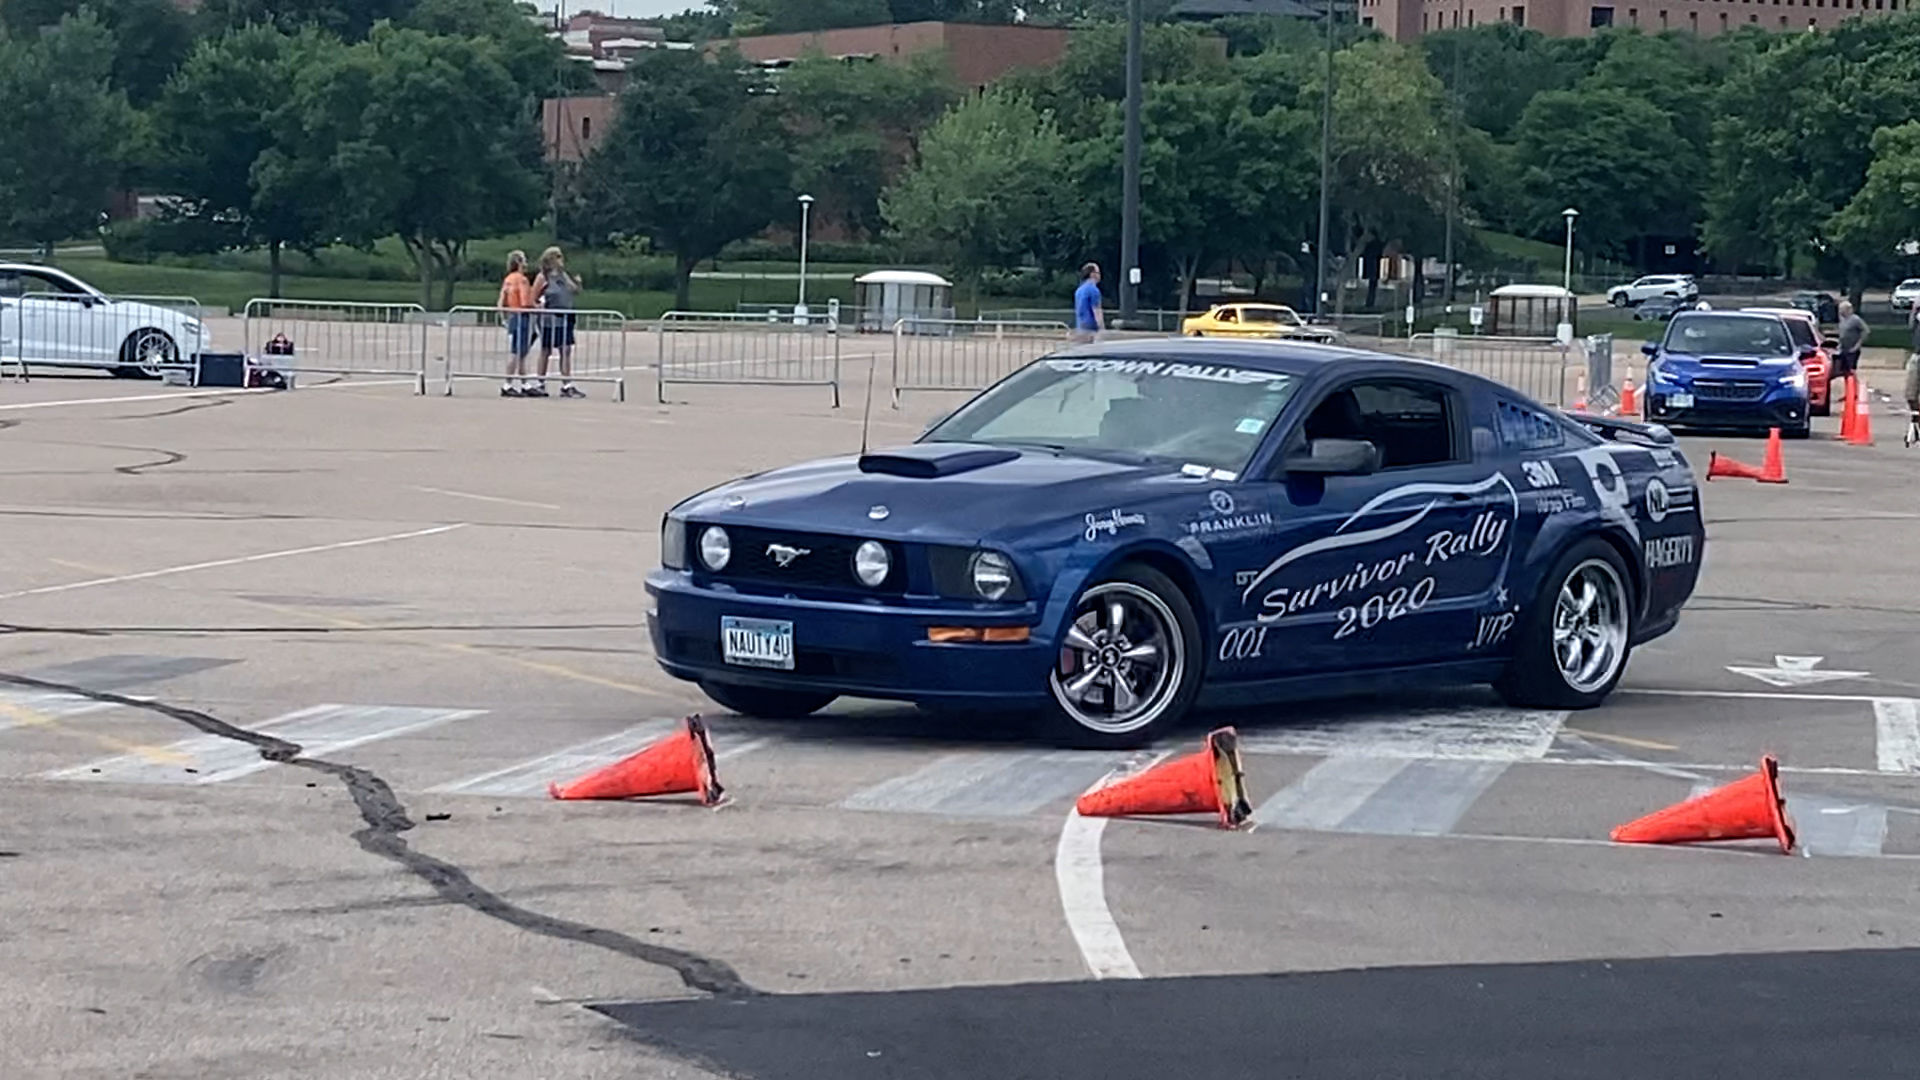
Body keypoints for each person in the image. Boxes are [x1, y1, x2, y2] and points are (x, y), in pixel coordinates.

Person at [530, 245, 584, 399]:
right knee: (546, 350)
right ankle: (540, 383)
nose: (562, 260)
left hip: (565, 316)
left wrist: (578, 283)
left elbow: (574, 289)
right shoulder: (543, 277)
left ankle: (566, 385)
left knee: (565, 350)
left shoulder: (563, 275)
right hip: (549, 318)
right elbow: (533, 298)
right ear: (551, 259)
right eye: (558, 257)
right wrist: (539, 306)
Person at [497, 250, 535, 398]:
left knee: (520, 353)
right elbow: (526, 302)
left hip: (513, 316)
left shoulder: (508, 279)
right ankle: (507, 384)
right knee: (517, 353)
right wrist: (539, 306)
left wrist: (504, 318)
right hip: (522, 317)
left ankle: (524, 383)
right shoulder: (522, 280)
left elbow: (501, 301)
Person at [1834, 300, 1867, 392]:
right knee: (1845, 372)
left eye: (1841, 309)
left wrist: (1857, 345)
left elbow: (1865, 331)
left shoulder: (1855, 319)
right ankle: (1848, 392)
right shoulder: (1842, 320)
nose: (1839, 311)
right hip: (1843, 349)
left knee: (1851, 371)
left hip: (1852, 350)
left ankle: (1854, 392)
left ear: (1847, 309)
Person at [1072, 263, 1104, 344]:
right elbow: (1096, 310)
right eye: (1098, 273)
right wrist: (1101, 327)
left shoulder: (1079, 290)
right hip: (1091, 329)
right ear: (1092, 274)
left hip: (1081, 326)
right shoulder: (1094, 290)